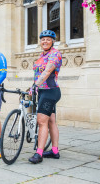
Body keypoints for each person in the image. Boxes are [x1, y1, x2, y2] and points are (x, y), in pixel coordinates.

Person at [28, 30, 62, 164]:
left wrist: (35, 85)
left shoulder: (55, 54)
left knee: (42, 121)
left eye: (48, 39)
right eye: (43, 39)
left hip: (50, 92)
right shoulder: (41, 56)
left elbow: (48, 71)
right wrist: (33, 86)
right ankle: (54, 151)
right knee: (51, 120)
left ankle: (39, 153)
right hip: (42, 91)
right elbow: (37, 74)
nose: (45, 41)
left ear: (53, 41)